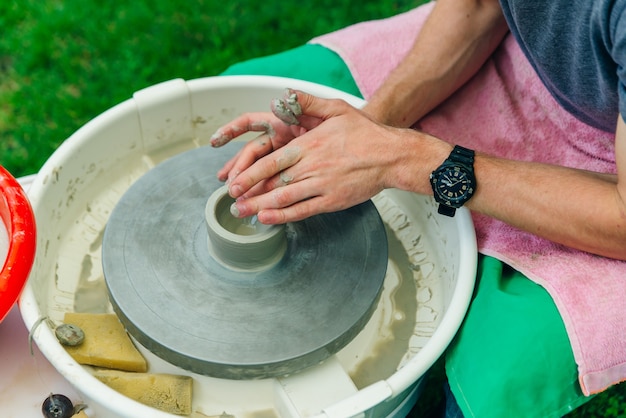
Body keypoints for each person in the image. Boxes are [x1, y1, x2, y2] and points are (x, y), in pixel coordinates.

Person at [209, 0, 626, 416]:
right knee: (252, 84)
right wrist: (366, 126)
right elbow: (479, 7)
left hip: (604, 168)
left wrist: (406, 159)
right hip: (518, 61)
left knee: (499, 374)